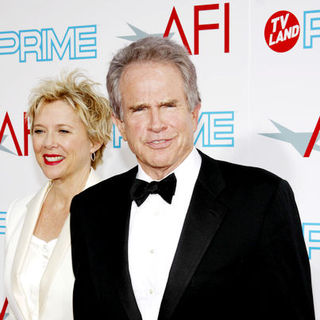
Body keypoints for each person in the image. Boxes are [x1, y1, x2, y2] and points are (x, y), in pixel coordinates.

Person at [70, 37, 315, 320]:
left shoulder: (262, 198)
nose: (156, 124)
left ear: (195, 112)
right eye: (139, 109)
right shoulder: (89, 209)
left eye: (169, 105)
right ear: (119, 125)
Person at [4, 70, 112, 320]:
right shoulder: (18, 212)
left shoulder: (114, 215)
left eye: (63, 131)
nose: (48, 143)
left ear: (94, 140)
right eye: (39, 131)